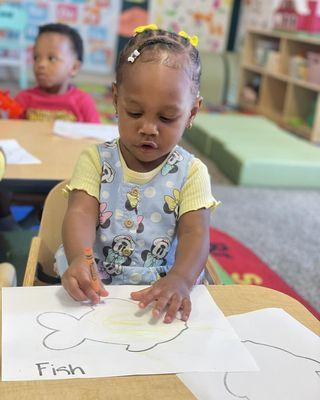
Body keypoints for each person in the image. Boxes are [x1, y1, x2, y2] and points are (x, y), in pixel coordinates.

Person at [56, 24, 219, 323]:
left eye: (167, 117)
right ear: (116, 99)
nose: (148, 128)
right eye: (134, 113)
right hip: (97, 280)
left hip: (162, 283)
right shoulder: (96, 159)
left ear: (192, 113)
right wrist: (80, 258)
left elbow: (196, 233)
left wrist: (182, 278)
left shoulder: (192, 172)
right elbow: (80, 212)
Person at [15, 23, 100, 123]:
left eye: (52, 58)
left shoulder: (83, 102)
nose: (41, 64)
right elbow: (12, 132)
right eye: (36, 57)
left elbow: (96, 135)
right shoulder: (24, 99)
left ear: (74, 67)